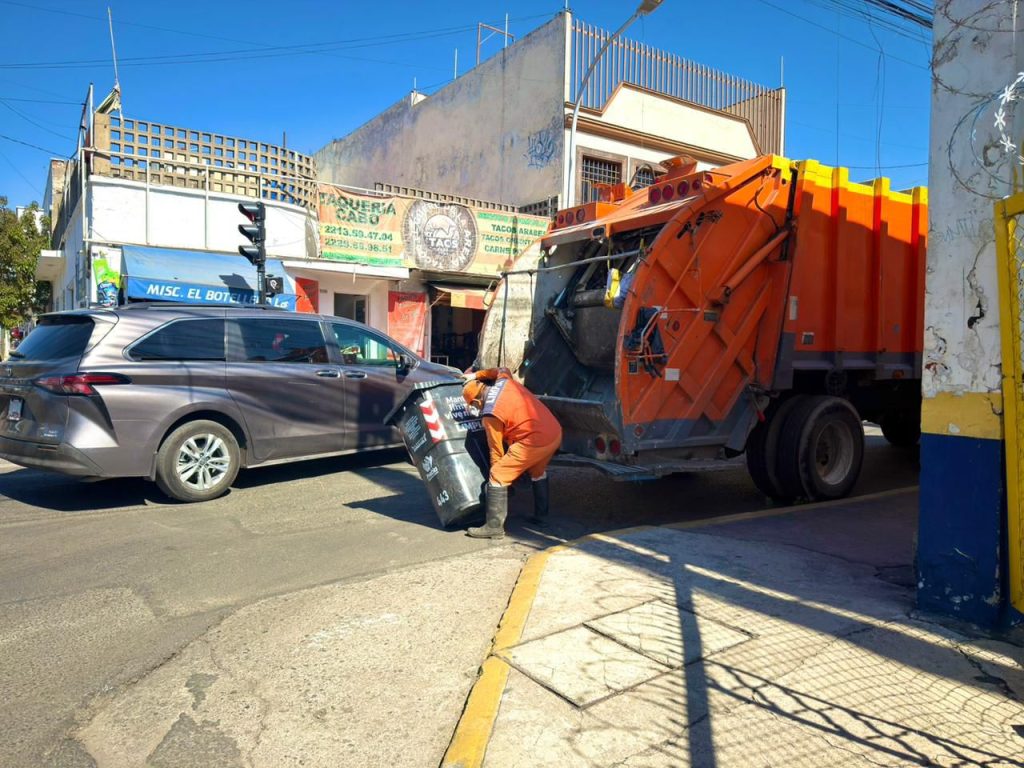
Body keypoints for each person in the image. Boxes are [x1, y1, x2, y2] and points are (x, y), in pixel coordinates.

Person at [462, 367, 563, 539]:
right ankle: (542, 517)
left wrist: (500, 482)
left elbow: (496, 451)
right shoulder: (503, 381)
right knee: (537, 472)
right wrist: (476, 375)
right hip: (554, 432)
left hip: (535, 440)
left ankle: (494, 527)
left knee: (498, 473)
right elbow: (502, 369)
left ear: (477, 401)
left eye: (472, 405)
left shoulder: (490, 415)